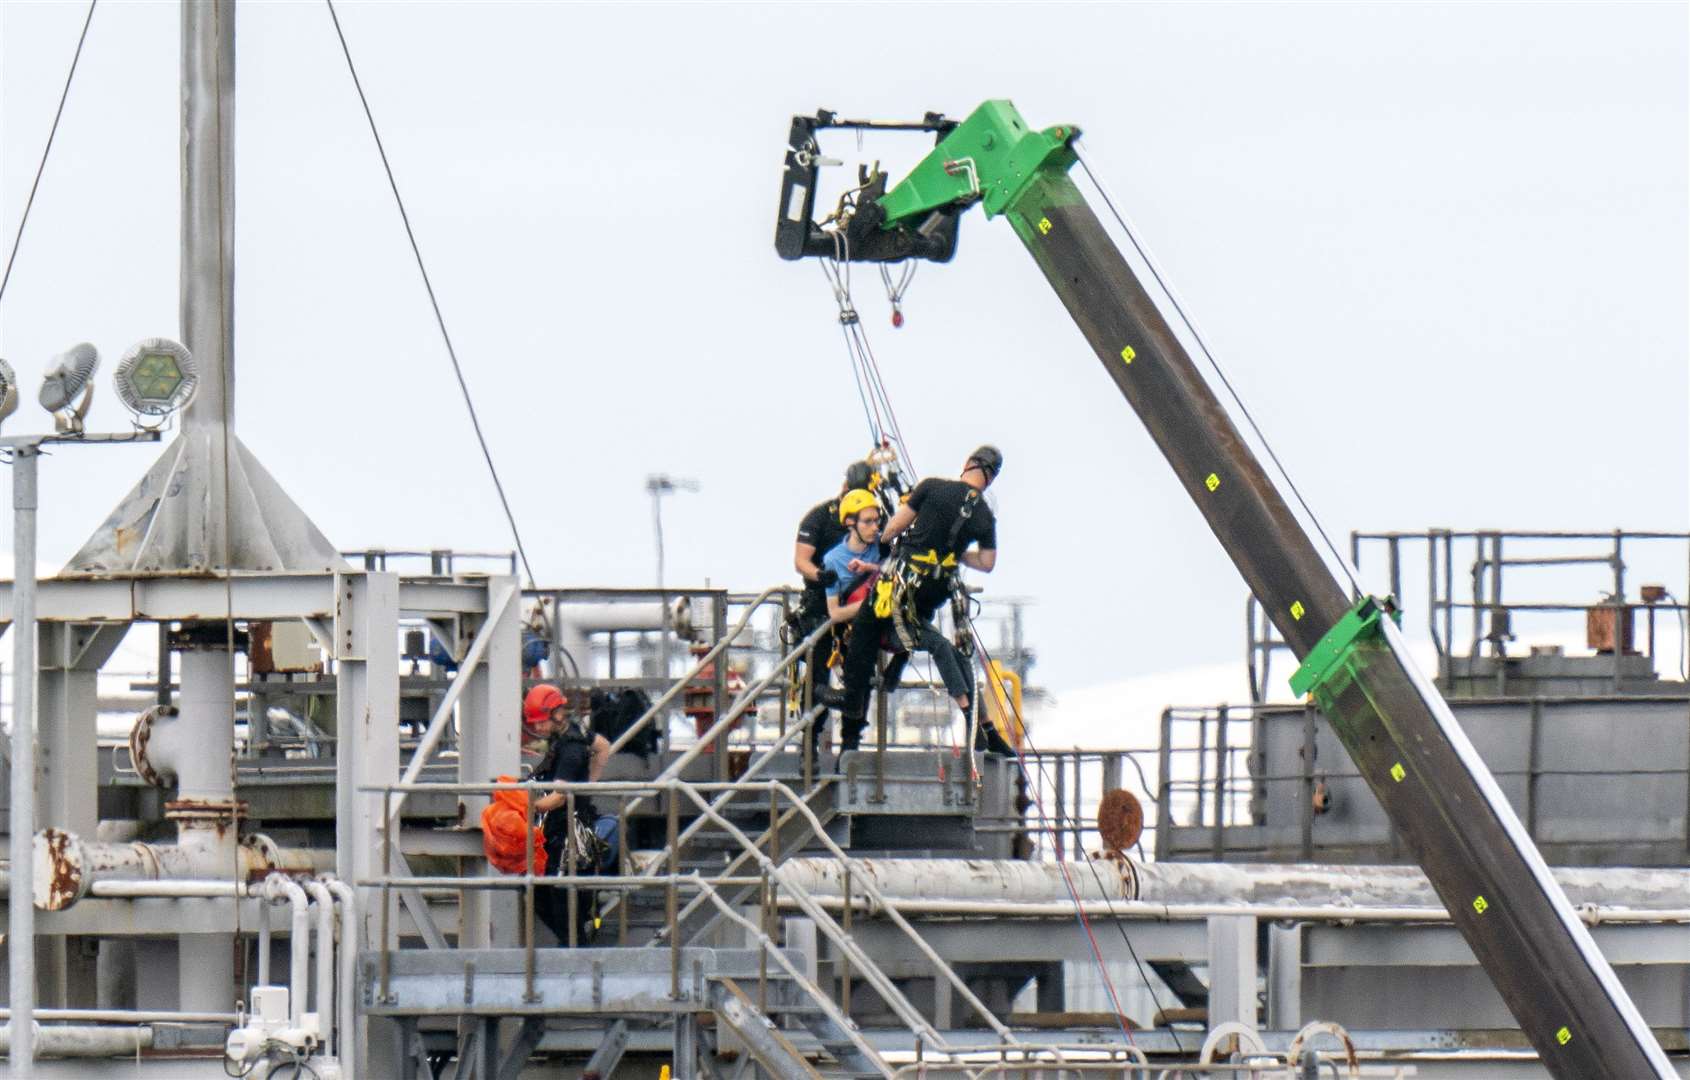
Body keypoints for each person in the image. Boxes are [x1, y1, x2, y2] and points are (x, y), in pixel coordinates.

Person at [839, 446, 1012, 755]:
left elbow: (892, 528)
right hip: (935, 592)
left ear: (968, 463)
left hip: (901, 587)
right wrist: (956, 555)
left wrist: (880, 545)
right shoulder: (985, 515)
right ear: (991, 478)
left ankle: (849, 737)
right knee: (928, 636)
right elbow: (987, 562)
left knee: (862, 642)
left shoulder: (932, 487)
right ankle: (978, 725)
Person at [791, 459, 875, 759]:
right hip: (821, 605)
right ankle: (809, 739)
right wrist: (819, 575)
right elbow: (801, 560)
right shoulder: (820, 517)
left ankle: (851, 742)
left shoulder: (874, 520)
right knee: (817, 673)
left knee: (861, 673)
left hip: (859, 607)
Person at [526, 684, 618, 943]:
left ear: (556, 713)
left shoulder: (570, 750)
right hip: (569, 828)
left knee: (558, 894)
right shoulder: (574, 734)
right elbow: (603, 746)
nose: (538, 728)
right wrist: (589, 782)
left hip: (568, 835)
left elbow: (558, 798)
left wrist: (525, 803)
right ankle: (573, 945)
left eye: (541, 721)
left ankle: (573, 950)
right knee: (554, 893)